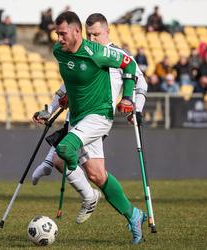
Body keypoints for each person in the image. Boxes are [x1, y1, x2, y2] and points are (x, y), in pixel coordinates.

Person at [33, 11, 146, 244]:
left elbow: (129, 65)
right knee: (96, 173)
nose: (59, 38)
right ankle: (134, 215)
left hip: (99, 116)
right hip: (78, 117)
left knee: (63, 151)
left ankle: (89, 196)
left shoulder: (98, 53)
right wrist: (59, 104)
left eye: (63, 33)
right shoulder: (58, 51)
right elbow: (71, 80)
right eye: (57, 34)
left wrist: (127, 98)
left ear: (76, 32)